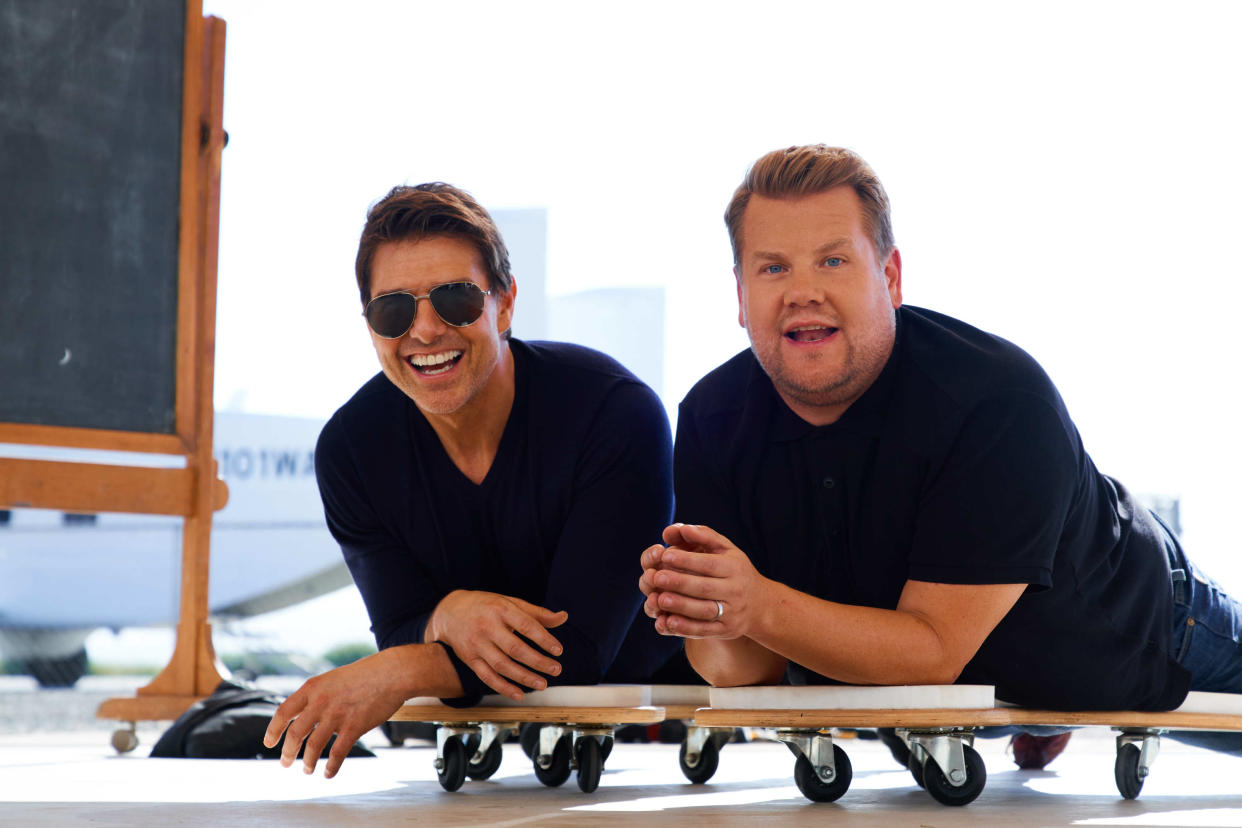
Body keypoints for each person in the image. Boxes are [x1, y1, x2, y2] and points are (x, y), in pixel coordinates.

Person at [639, 144, 1242, 768]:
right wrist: (702, 609)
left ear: (890, 277)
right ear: (740, 296)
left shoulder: (996, 399)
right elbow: (747, 670)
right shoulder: (712, 418)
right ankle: (1035, 699)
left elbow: (932, 649)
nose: (802, 292)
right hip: (959, 683)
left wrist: (754, 605)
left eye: (833, 260)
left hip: (1137, 627)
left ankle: (1050, 691)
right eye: (772, 269)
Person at [265, 182, 686, 778]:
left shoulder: (614, 412)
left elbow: (581, 650)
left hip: (650, 683)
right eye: (394, 310)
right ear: (370, 326)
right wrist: (447, 617)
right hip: (490, 699)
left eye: (456, 299)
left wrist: (408, 669)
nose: (426, 330)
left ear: (505, 304)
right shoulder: (351, 450)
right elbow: (400, 621)